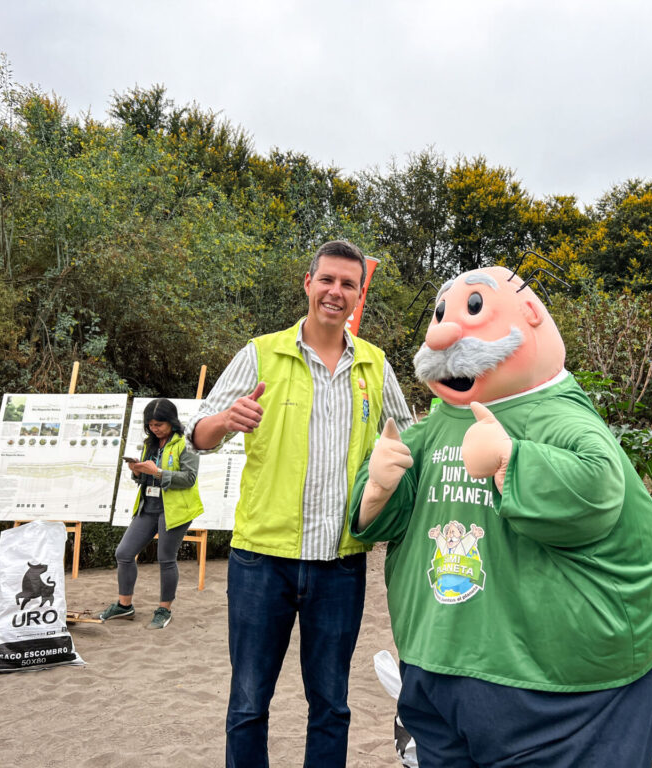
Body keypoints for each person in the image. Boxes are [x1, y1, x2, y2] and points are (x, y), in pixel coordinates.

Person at [351, 266, 652, 767]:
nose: (445, 331)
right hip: (438, 659)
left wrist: (514, 459)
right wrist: (379, 486)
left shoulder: (561, 415)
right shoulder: (434, 424)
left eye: (472, 308)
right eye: (442, 313)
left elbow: (597, 493)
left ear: (530, 315)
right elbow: (382, 521)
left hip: (558, 687)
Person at [187, 240, 413, 768]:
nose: (336, 292)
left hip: (340, 565)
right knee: (247, 703)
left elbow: (411, 440)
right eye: (327, 280)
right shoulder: (261, 353)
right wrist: (226, 420)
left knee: (331, 705)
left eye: (348, 285)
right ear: (307, 284)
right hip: (260, 561)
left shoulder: (375, 367)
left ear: (360, 295)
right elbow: (197, 434)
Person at [99, 398, 203, 630]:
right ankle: (125, 606)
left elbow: (189, 478)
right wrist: (137, 471)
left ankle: (164, 609)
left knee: (166, 559)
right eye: (151, 425)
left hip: (175, 510)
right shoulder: (151, 443)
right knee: (124, 553)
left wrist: (158, 472)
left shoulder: (185, 443)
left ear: (172, 422)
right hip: (148, 507)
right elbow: (144, 478)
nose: (155, 429)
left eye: (159, 425)